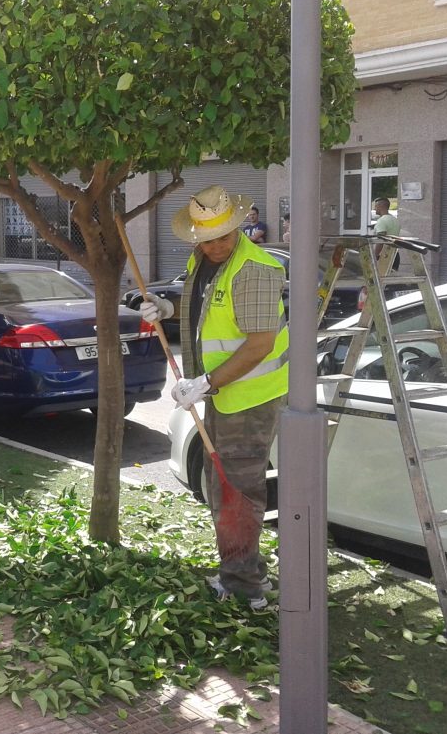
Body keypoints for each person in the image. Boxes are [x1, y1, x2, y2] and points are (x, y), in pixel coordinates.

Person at [139, 186, 288, 609]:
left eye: (224, 235)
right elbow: (206, 311)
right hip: (223, 395)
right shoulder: (202, 259)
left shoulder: (255, 269)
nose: (217, 245)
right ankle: (246, 572)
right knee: (223, 487)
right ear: (195, 238)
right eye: (208, 238)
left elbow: (259, 344)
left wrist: (205, 383)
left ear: (238, 226)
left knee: (236, 489)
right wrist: (165, 310)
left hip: (247, 398)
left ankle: (243, 588)